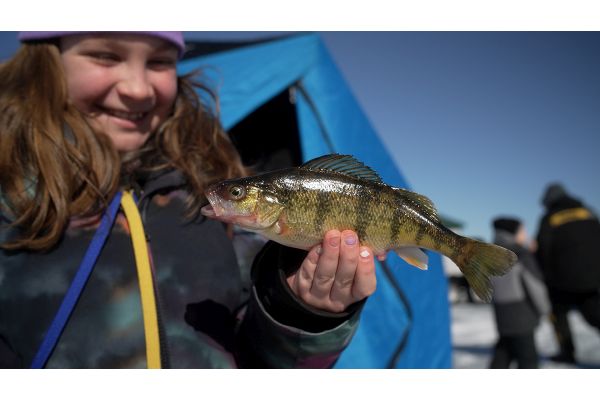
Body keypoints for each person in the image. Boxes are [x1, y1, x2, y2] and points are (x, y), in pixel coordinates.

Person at [0, 32, 377, 368]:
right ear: (43, 61)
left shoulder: (209, 184)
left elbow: (266, 361)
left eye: (161, 62)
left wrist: (302, 312)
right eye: (105, 55)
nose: (138, 88)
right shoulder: (9, 194)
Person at [536, 183, 600, 364]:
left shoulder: (549, 217)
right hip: (593, 279)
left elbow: (543, 249)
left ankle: (567, 353)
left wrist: (545, 274)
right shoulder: (589, 212)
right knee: (595, 314)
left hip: (561, 280)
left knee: (559, 316)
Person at [489, 217, 549, 369]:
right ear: (512, 233)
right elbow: (536, 287)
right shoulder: (520, 255)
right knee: (528, 360)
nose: (525, 234)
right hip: (523, 317)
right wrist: (545, 309)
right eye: (522, 231)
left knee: (503, 354)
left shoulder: (489, 255)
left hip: (501, 315)